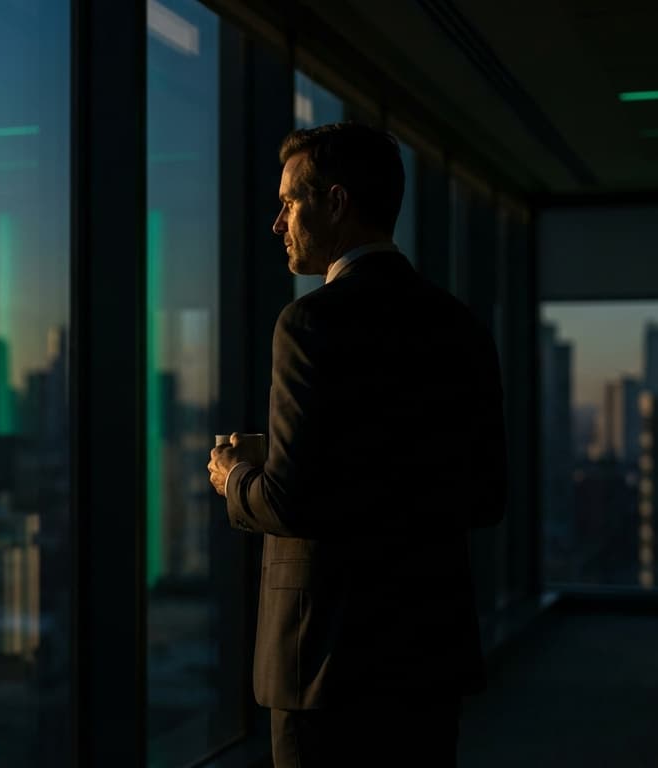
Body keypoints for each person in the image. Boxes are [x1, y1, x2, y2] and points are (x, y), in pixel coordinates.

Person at [206, 122, 507, 767]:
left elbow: (292, 502)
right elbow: (486, 495)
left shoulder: (310, 322)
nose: (278, 221)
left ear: (336, 202)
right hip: (429, 650)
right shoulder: (459, 325)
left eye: (290, 202)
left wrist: (233, 476)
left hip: (327, 666)